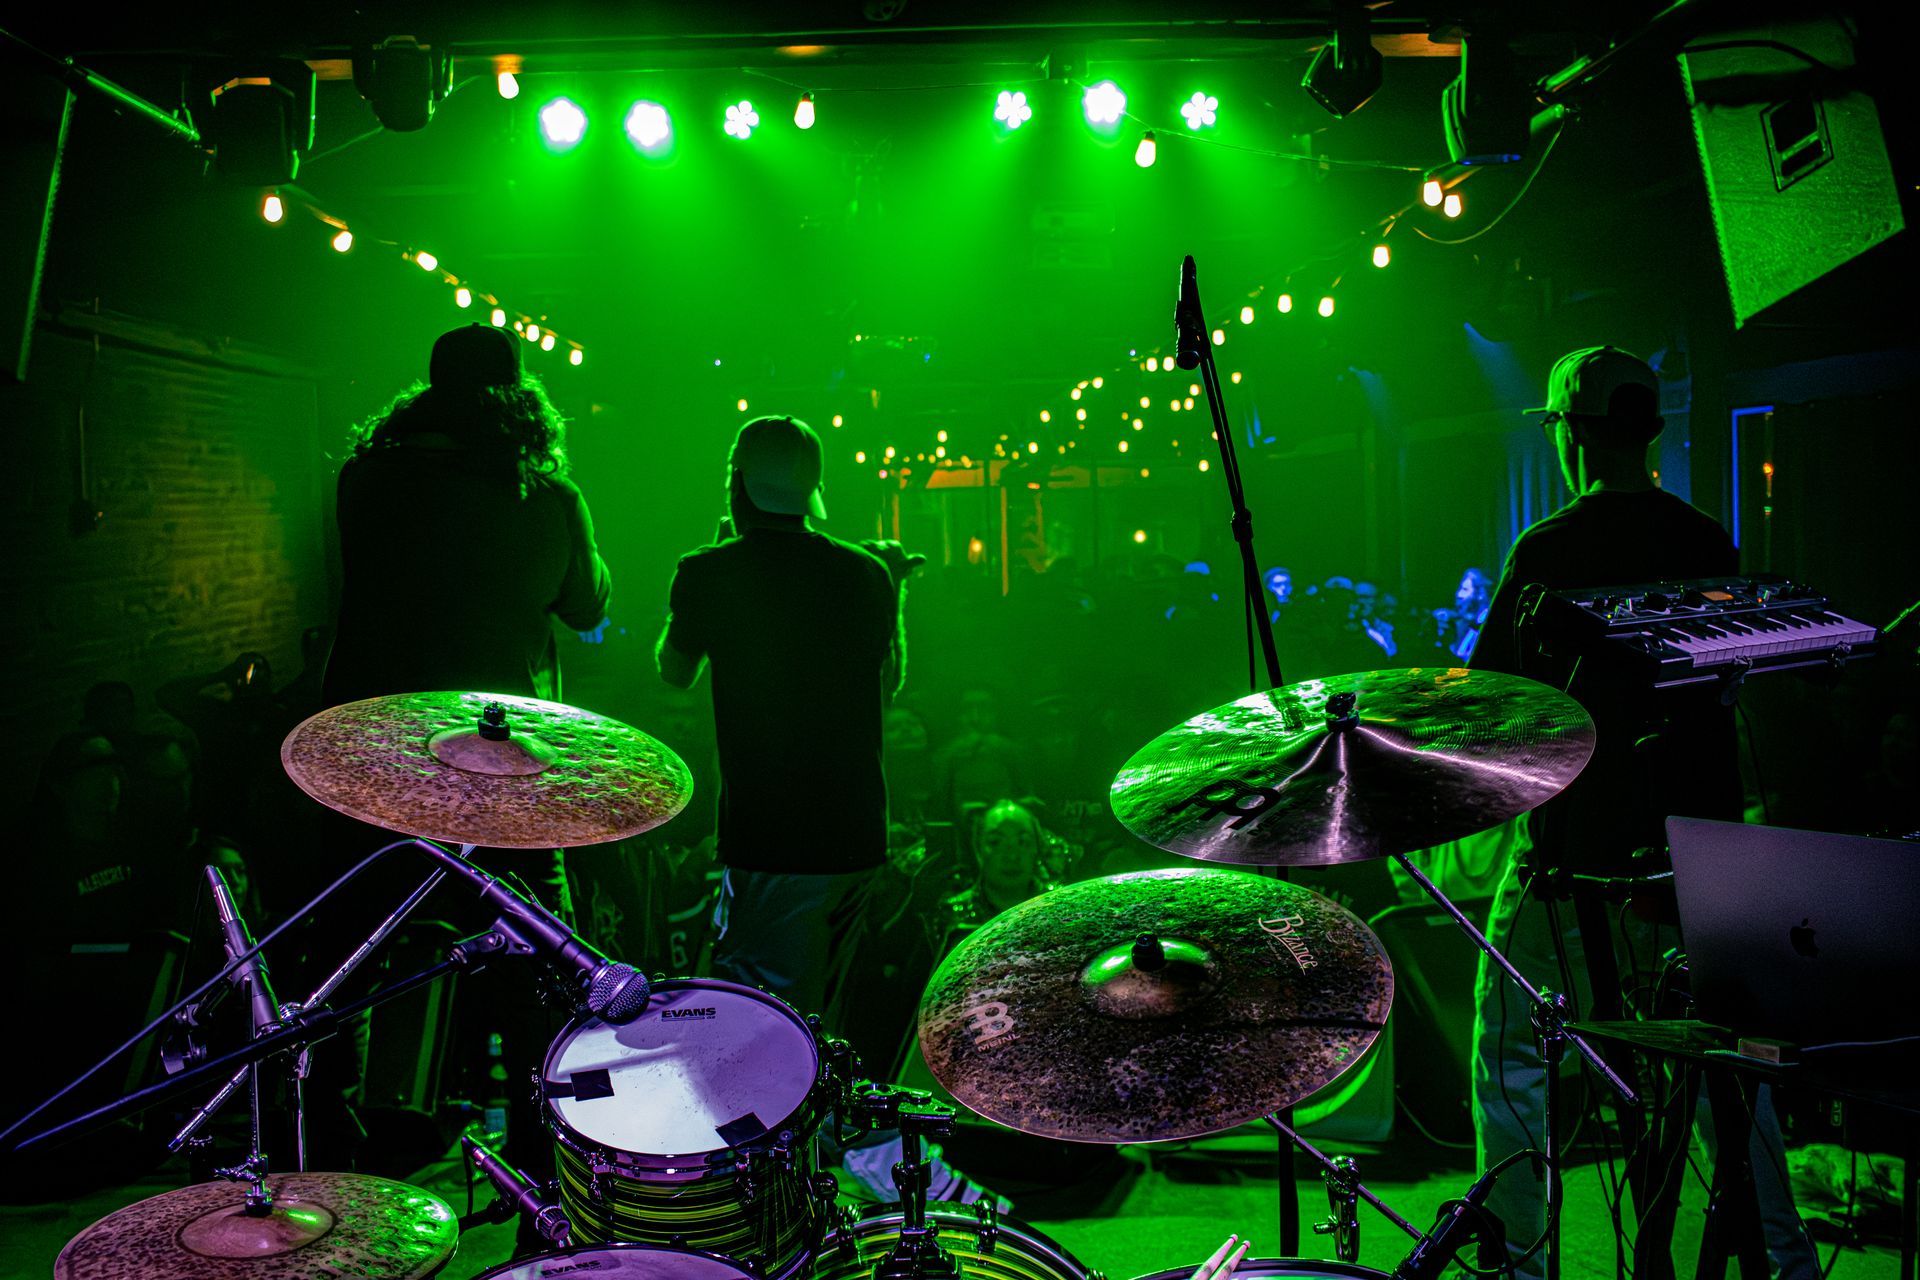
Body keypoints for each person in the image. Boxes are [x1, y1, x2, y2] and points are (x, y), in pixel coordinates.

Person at [1468, 347, 1817, 1279]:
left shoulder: (1545, 551)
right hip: (1697, 858)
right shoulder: (1709, 537)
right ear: (1648, 430)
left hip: (1577, 854)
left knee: (1512, 1052)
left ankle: (1523, 1268)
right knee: (1727, 1073)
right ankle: (1787, 1266)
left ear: (1573, 436)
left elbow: (1495, 700)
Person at [307, 324, 611, 1185]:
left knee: (347, 959)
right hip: (493, 760)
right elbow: (585, 604)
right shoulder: (541, 493)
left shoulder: (362, 479)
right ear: (517, 396)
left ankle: (332, 1161)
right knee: (541, 969)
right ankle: (541, 1161)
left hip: (372, 750)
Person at [656, 413, 908, 1025]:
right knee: (827, 1013)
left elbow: (674, 671)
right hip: (858, 834)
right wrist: (893, 589)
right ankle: (824, 1119)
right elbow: (889, 684)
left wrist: (714, 568)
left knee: (764, 1015)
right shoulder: (866, 571)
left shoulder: (707, 570)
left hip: (772, 838)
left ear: (736, 485)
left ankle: (782, 1122)